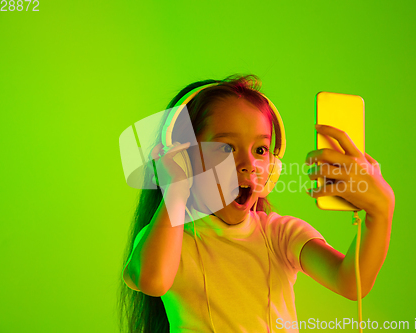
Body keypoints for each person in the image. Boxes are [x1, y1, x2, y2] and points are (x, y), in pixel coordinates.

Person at [118, 74, 395, 333]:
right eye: (226, 148)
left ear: (273, 168)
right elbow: (152, 281)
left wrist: (380, 211)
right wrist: (175, 188)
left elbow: (350, 282)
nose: (248, 165)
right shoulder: (171, 240)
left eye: (260, 150)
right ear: (183, 160)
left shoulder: (280, 235)